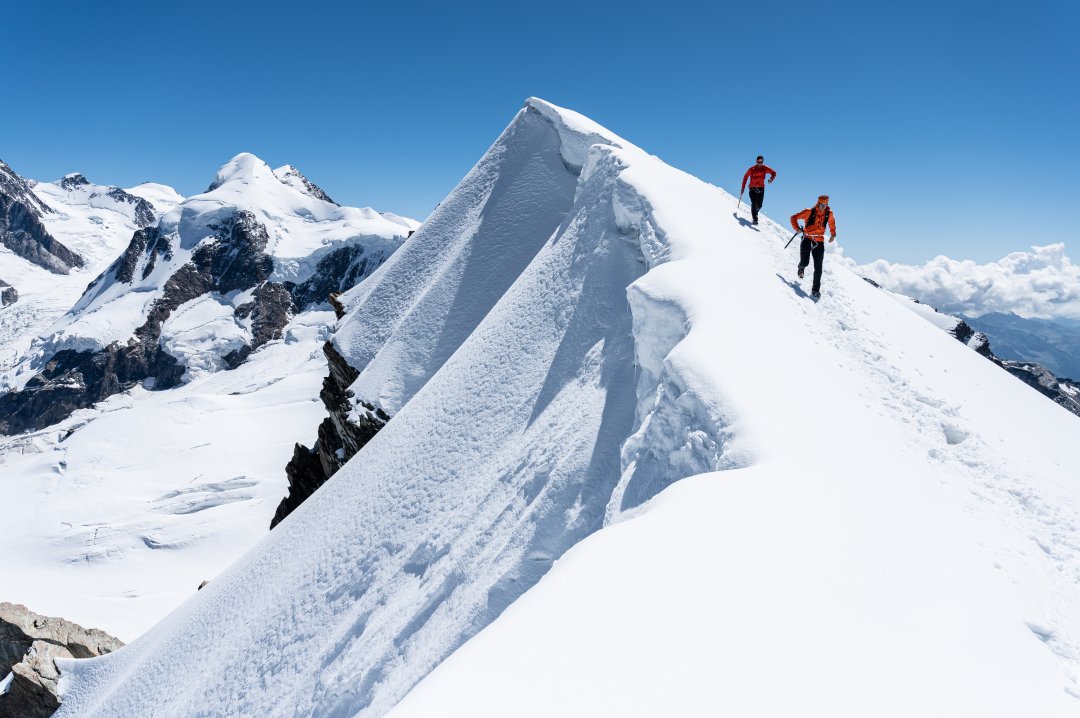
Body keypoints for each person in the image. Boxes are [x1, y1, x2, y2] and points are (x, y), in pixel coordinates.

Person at [790, 195, 837, 299]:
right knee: (805, 262)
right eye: (821, 205)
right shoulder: (809, 211)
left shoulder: (829, 214)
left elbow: (832, 223)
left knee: (818, 267)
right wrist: (797, 228)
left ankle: (815, 290)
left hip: (819, 242)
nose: (823, 207)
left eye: (825, 205)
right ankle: (801, 267)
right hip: (807, 238)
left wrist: (833, 234)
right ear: (818, 203)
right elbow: (793, 217)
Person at [741, 155, 776, 225]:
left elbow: (774, 173)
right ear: (756, 161)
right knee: (754, 203)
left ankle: (755, 212)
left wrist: (771, 179)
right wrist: (743, 188)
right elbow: (745, 177)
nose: (760, 163)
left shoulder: (765, 168)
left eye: (761, 162)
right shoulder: (752, 169)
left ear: (763, 162)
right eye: (758, 162)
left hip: (761, 189)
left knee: (759, 205)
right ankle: (755, 219)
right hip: (752, 188)